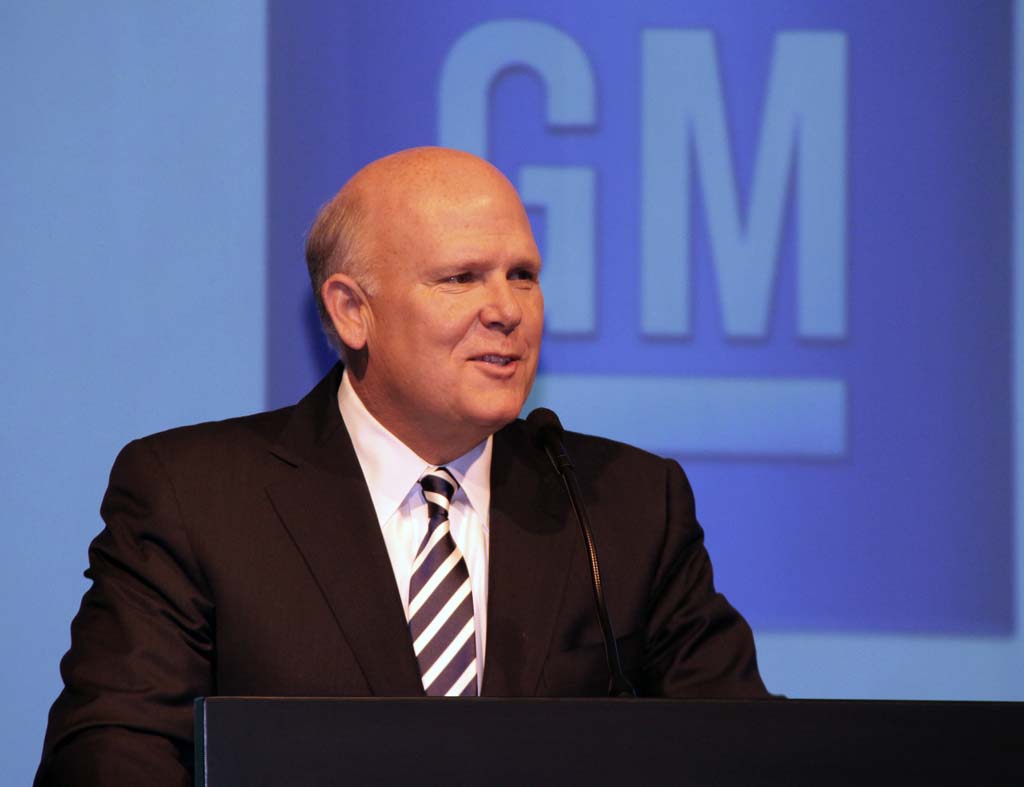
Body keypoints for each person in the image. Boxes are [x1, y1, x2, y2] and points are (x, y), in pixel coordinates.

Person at [35, 147, 768, 786]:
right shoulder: (195, 498)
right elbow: (108, 753)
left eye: (522, 274)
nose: (507, 309)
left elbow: (750, 752)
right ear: (352, 311)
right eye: (461, 278)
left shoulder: (624, 506)